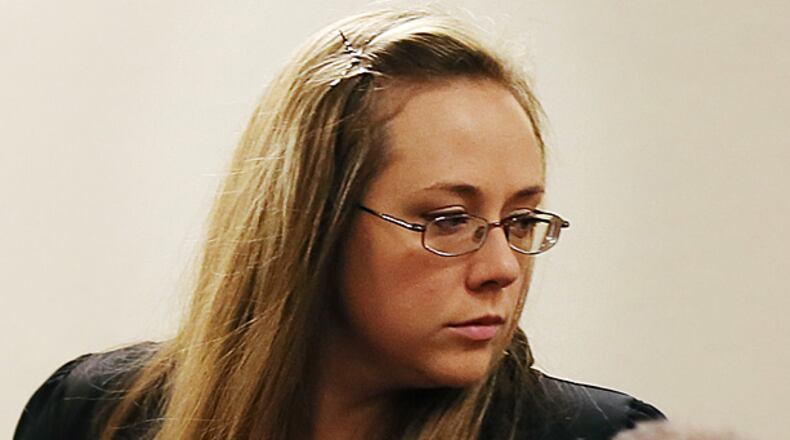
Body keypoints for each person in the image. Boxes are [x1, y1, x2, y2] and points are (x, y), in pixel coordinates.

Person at [14, 6, 665, 440]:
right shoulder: (96, 415)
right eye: (449, 219)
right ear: (312, 223)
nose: (502, 269)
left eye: (521, 220)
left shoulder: (605, 434)